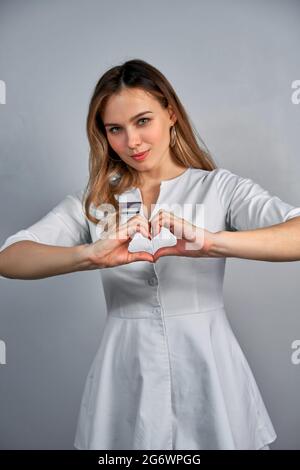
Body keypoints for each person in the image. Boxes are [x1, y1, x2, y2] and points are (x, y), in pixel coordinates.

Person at [1, 59, 300, 450]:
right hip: (125, 374)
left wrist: (212, 242)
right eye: (115, 130)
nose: (133, 142)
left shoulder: (219, 188)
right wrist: (89, 255)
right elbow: (10, 256)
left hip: (212, 369)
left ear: (171, 113)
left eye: (143, 121)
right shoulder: (94, 202)